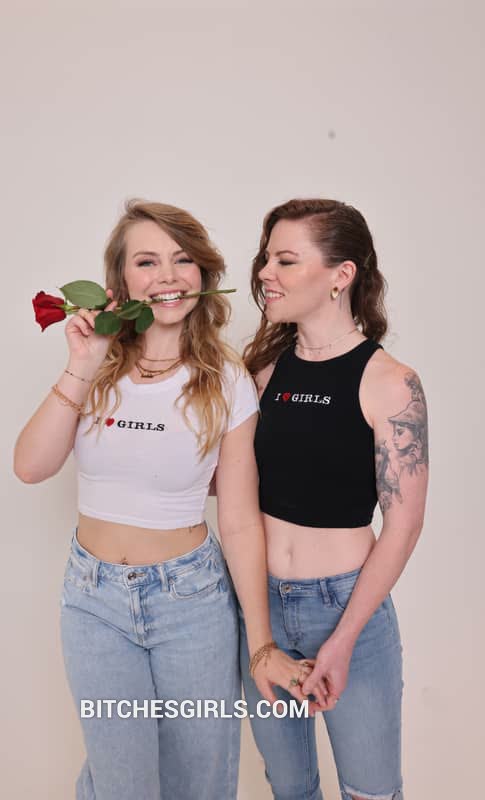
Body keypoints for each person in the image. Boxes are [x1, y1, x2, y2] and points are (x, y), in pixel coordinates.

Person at [13, 199, 312, 800]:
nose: (167, 276)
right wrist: (81, 364)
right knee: (119, 784)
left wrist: (260, 643)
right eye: (146, 262)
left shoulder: (226, 379)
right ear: (121, 280)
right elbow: (30, 466)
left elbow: (238, 518)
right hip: (94, 604)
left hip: (191, 604)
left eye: (182, 260)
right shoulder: (96, 366)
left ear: (202, 273)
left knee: (197, 781)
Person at [239, 198, 428, 800]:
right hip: (261, 607)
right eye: (267, 258)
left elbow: (403, 526)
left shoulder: (389, 382)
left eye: (286, 260)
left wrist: (342, 640)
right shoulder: (262, 373)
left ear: (341, 275)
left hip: (347, 606)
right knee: (289, 789)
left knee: (371, 792)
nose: (266, 272)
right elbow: (226, 485)